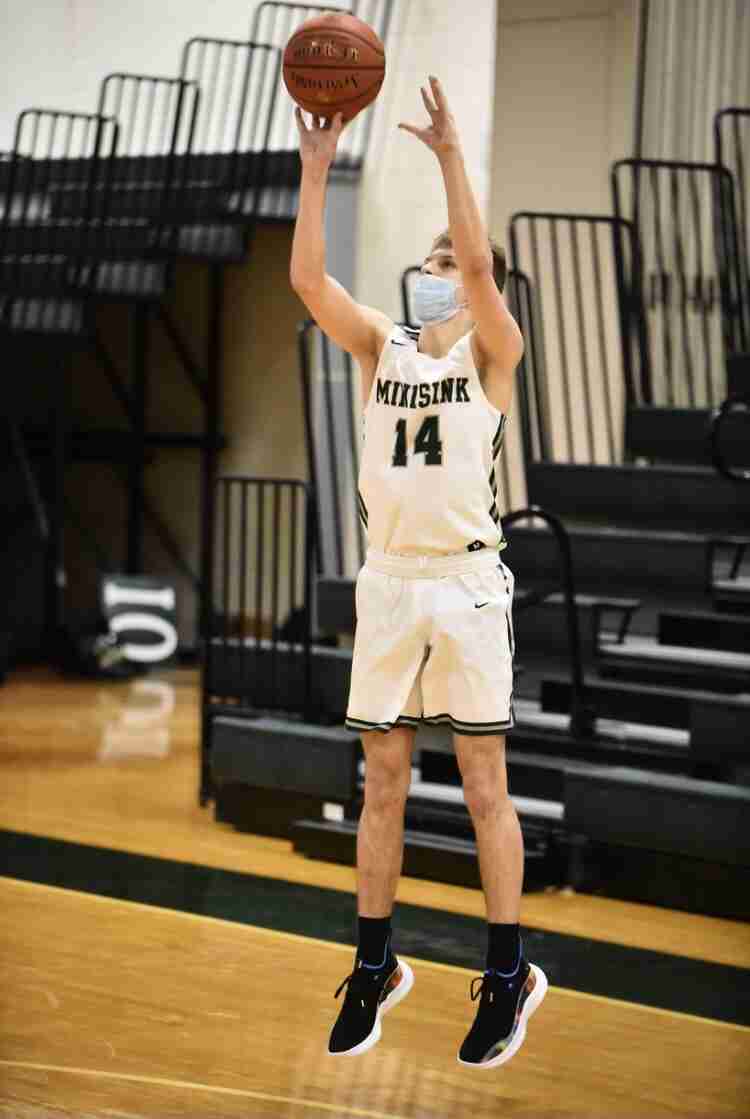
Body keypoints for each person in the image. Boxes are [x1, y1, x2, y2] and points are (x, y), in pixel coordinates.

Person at [290, 75, 547, 1069]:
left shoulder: (494, 351)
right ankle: (374, 962)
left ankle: (508, 969)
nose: (439, 270)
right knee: (383, 783)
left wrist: (448, 157)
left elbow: (480, 263)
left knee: (484, 787)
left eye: (452, 262)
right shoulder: (380, 347)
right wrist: (317, 170)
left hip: (467, 584)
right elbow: (308, 282)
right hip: (391, 581)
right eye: (430, 260)